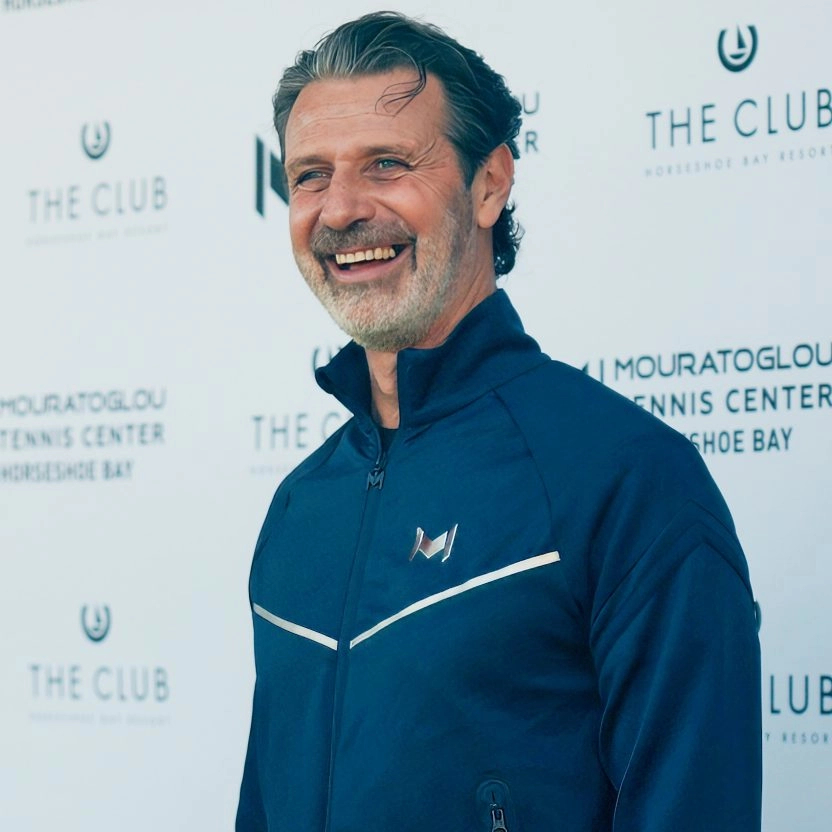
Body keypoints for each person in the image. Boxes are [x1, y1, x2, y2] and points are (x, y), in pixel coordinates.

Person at [237, 11, 762, 831]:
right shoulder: (302, 505)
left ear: (490, 183)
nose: (340, 208)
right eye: (309, 175)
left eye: (387, 163)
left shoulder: (624, 477)